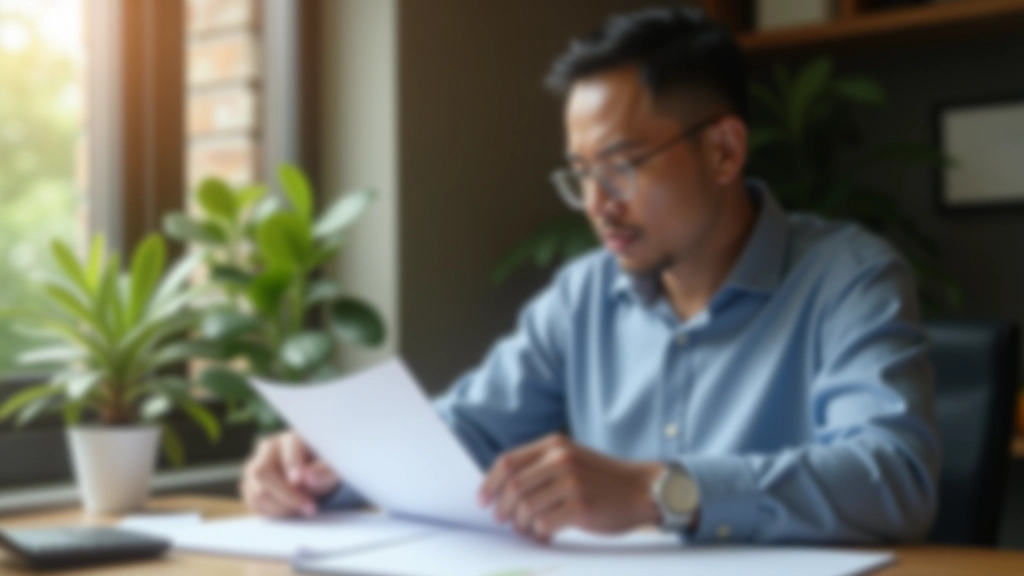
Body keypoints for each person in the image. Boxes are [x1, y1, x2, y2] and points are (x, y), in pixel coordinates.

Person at [240, 6, 939, 545]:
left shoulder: (850, 278)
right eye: (581, 176)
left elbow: (893, 476)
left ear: (724, 151)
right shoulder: (583, 295)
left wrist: (657, 492)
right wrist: (327, 469)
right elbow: (464, 434)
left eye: (621, 168)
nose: (598, 205)